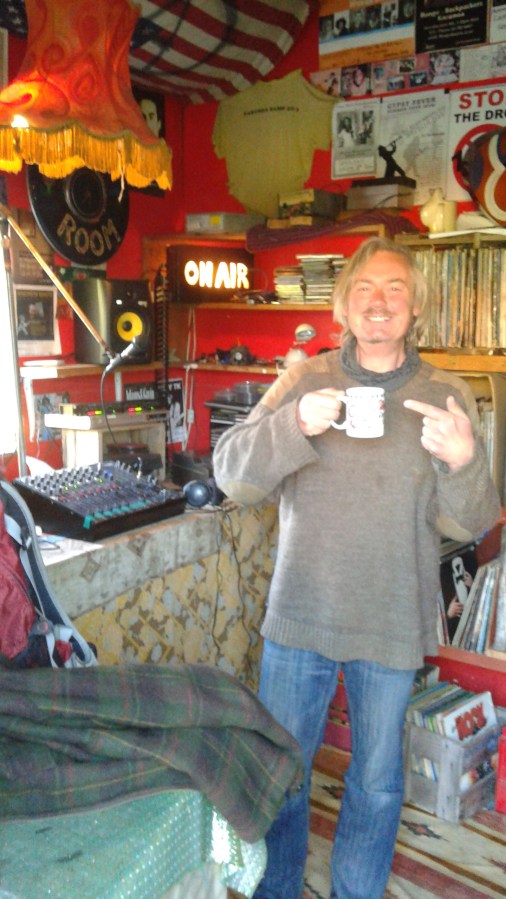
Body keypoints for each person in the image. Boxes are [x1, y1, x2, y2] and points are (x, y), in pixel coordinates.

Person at [212, 236, 500, 899]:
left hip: (391, 620)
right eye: (364, 288)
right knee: (283, 775)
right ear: (342, 305)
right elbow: (232, 475)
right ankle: (276, 889)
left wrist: (463, 461)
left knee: (375, 784)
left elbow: (475, 521)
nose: (379, 301)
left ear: (416, 307)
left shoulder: (446, 392)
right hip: (300, 615)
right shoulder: (304, 379)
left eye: (396, 288)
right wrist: (292, 424)